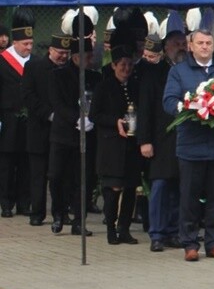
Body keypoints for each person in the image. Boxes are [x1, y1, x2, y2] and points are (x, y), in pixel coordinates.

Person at [163, 23, 214, 262]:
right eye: (200, 43)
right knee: (189, 196)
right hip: (191, 145)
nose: (205, 47)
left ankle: (213, 242)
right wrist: (189, 108)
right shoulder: (178, 71)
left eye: (208, 43)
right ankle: (189, 243)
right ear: (191, 46)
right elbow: (169, 100)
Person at [138, 19, 186, 252]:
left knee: (179, 186)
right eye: (176, 44)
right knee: (160, 186)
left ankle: (173, 231)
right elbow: (145, 108)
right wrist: (144, 140)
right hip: (160, 139)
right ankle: (157, 233)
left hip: (185, 139)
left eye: (183, 44)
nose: (181, 48)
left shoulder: (190, 71)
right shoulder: (155, 73)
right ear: (166, 47)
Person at [48, 35, 100, 236]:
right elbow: (58, 104)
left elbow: (97, 102)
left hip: (86, 135)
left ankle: (79, 220)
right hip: (63, 134)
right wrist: (77, 119)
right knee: (56, 176)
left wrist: (91, 118)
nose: (90, 60)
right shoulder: (58, 75)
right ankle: (58, 213)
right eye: (87, 56)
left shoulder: (94, 77)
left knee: (83, 179)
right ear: (76, 57)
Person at [91, 45, 143, 245]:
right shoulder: (104, 87)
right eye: (122, 65)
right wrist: (115, 121)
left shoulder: (135, 86)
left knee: (130, 188)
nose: (126, 68)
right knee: (113, 189)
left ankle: (124, 228)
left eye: (129, 65)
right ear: (113, 65)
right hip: (111, 146)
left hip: (131, 146)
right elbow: (95, 115)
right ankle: (111, 228)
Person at [22, 26, 73, 226]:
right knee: (38, 174)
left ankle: (61, 213)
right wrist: (49, 114)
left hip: (62, 132)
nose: (63, 57)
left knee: (61, 175)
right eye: (60, 52)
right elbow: (28, 96)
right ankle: (37, 212)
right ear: (50, 50)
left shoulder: (69, 70)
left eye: (66, 53)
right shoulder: (34, 67)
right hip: (40, 129)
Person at [0, 8, 34, 218]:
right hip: (8, 120)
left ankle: (24, 203)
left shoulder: (34, 62)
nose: (29, 48)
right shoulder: (2, 61)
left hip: (29, 122)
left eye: (31, 44)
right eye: (25, 44)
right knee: (6, 163)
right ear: (15, 43)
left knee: (26, 163)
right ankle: (6, 203)